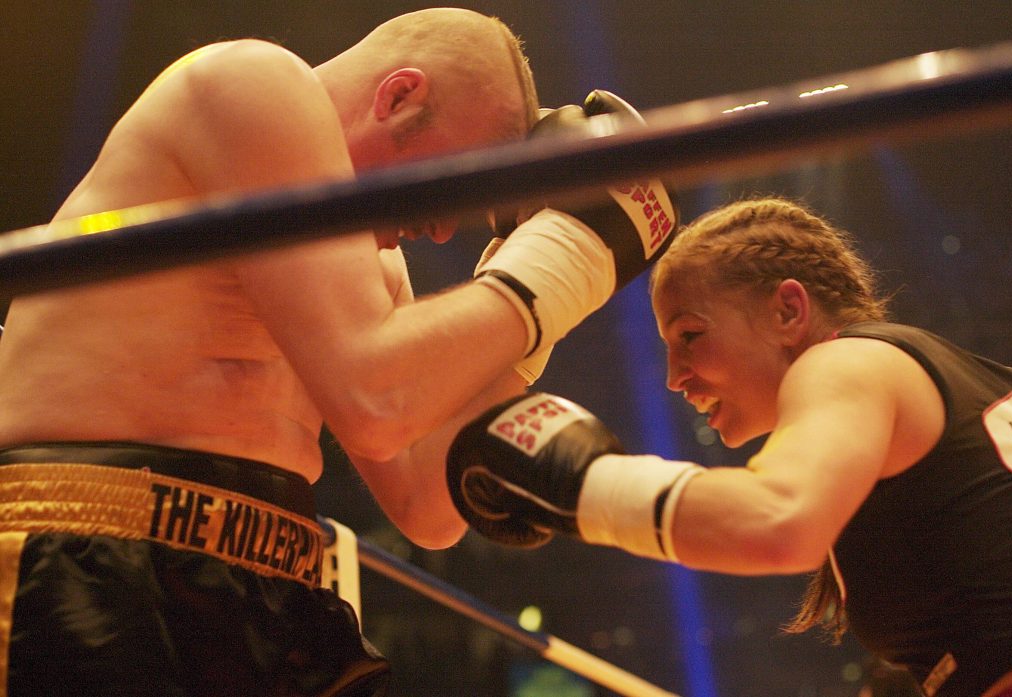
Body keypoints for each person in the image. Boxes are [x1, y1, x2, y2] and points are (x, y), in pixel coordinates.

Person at [0, 7, 678, 697]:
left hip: (270, 586)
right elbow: (376, 399)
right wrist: (565, 258)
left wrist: (539, 268)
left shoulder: (374, 272)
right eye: (452, 184)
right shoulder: (255, 82)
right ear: (398, 96)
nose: (444, 230)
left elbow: (430, 501)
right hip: (95, 553)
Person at [446, 196, 1012, 697]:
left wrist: (581, 482)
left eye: (691, 335)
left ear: (788, 310)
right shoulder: (966, 381)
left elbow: (778, 521)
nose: (675, 376)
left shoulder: (845, 362)